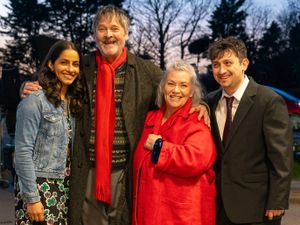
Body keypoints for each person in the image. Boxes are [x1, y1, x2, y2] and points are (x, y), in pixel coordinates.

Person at [21, 5, 209, 225]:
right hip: (89, 169)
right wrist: (26, 85)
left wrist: (202, 103)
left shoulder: (145, 70)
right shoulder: (83, 66)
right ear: (95, 34)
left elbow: (177, 86)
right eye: (102, 29)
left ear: (126, 33)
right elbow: (54, 77)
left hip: (124, 171)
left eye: (114, 28)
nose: (108, 35)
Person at [206, 36, 293, 225]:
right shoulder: (208, 102)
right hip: (218, 207)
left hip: (258, 208)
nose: (221, 70)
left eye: (228, 62)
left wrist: (277, 201)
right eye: (215, 64)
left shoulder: (268, 101)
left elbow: (281, 157)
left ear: (244, 63)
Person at [132, 60, 217, 225]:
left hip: (180, 216)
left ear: (192, 91)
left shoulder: (197, 121)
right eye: (171, 84)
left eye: (183, 85)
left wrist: (159, 147)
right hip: (148, 213)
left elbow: (196, 159)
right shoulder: (149, 118)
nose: (176, 90)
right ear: (163, 87)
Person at [14, 40, 83, 224]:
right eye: (64, 62)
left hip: (65, 188)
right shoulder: (34, 101)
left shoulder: (74, 103)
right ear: (51, 65)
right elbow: (22, 153)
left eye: (75, 64)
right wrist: (32, 198)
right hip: (40, 187)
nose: (71, 69)